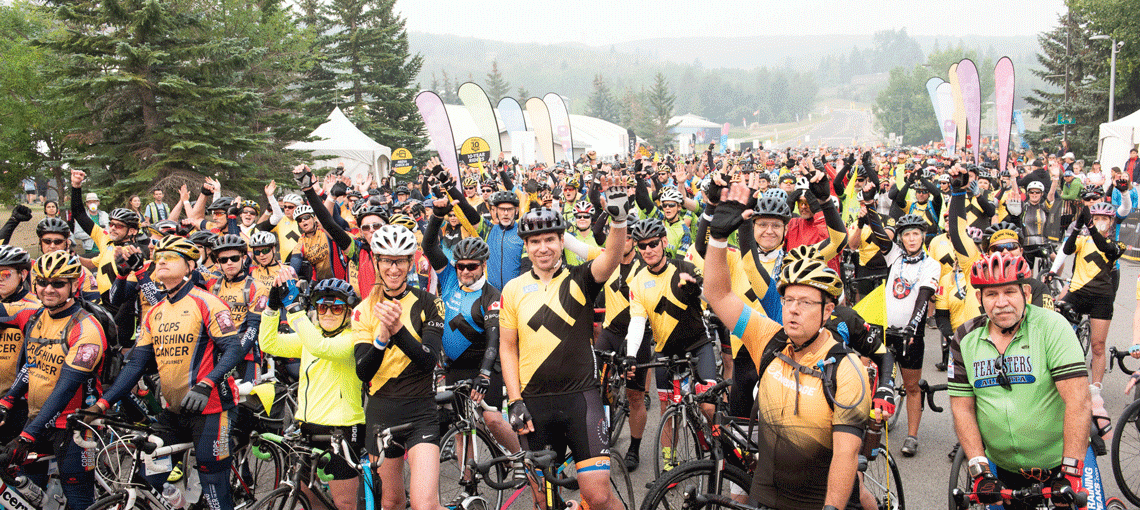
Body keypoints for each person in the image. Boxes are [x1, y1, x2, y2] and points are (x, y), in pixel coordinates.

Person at [702, 181, 870, 510]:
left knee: (861, 491)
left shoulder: (846, 370)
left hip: (819, 502)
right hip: (768, 498)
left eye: (805, 303)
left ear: (827, 311)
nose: (792, 309)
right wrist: (718, 238)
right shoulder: (769, 338)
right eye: (789, 300)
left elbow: (845, 454)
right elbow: (718, 294)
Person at [87, 235, 247, 510]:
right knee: (146, 478)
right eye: (158, 257)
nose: (161, 261)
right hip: (174, 411)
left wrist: (207, 383)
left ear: (189, 266)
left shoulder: (207, 302)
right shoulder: (155, 311)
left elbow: (234, 349)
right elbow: (136, 364)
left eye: (170, 257)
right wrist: (103, 404)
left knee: (213, 484)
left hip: (212, 409)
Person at [499, 180, 630, 510]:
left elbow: (612, 257)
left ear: (562, 242)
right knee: (544, 502)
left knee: (598, 496)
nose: (543, 248)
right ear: (526, 246)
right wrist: (514, 400)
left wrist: (618, 221)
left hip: (580, 399)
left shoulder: (580, 278)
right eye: (535, 241)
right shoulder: (512, 290)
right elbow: (507, 347)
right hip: (533, 405)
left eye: (550, 240)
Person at [948, 252, 1090, 510]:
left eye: (1009, 292)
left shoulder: (1052, 327)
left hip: (1064, 460)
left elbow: (1078, 401)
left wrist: (1071, 472)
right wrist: (980, 473)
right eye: (992, 294)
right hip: (1005, 470)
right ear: (979, 298)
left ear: (1026, 293)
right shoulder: (964, 338)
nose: (1001, 303)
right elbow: (962, 407)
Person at [0, 251, 106, 510]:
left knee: (79, 500)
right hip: (38, 420)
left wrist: (25, 437)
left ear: (74, 284)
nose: (48, 289)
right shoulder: (34, 317)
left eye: (58, 283)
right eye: (43, 282)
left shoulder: (86, 329)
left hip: (74, 426)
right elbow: (31, 367)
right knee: (29, 494)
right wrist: (8, 400)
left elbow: (64, 390)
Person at [353, 224, 444, 510]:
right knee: (391, 502)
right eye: (387, 261)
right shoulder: (364, 309)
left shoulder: (430, 303)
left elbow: (428, 360)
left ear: (410, 262)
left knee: (424, 504)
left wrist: (398, 330)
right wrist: (381, 338)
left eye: (401, 260)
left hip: (422, 412)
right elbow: (363, 372)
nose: (394, 269)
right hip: (381, 413)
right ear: (377, 262)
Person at [259, 276, 364, 510]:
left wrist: (295, 309)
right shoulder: (311, 336)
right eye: (322, 306)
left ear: (348, 313)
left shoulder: (353, 338)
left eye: (336, 308)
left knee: (345, 503)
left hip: (342, 429)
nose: (328, 313)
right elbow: (268, 343)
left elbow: (321, 348)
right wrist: (272, 308)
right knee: (309, 498)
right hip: (307, 427)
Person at [624, 218, 713, 471]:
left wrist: (698, 291)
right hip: (666, 350)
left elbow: (711, 297)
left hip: (698, 344)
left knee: (707, 404)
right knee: (667, 409)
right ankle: (668, 463)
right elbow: (637, 321)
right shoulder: (638, 280)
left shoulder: (684, 266)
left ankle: (718, 442)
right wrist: (632, 355)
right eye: (642, 246)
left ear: (663, 242)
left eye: (653, 243)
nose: (648, 250)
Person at [1049, 202, 1126, 429]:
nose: (1100, 220)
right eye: (1096, 217)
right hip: (1078, 292)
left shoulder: (1116, 244)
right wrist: (1077, 227)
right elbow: (1067, 248)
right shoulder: (1083, 240)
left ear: (1111, 222)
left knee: (1098, 345)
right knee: (1055, 319)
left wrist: (1091, 225)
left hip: (1102, 296)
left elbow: (1105, 248)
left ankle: (1095, 390)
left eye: (1105, 218)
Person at [883, 213, 940, 457]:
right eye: (906, 234)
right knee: (875, 375)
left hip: (911, 335)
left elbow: (923, 299)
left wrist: (912, 327)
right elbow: (877, 234)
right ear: (901, 238)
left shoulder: (931, 265)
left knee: (911, 386)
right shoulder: (895, 257)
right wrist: (868, 203)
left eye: (916, 233)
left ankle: (912, 435)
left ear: (923, 236)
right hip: (887, 330)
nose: (911, 238)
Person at [0, 247, 39, 443]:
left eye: (5, 273)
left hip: (20, 402)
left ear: (23, 274)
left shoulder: (34, 306)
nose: (0, 278)